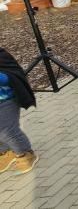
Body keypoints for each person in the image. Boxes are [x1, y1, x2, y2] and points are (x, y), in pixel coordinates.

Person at [0, 47, 37, 175]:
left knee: (6, 130)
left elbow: (9, 77)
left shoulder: (1, 56)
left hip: (6, 99)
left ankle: (25, 152)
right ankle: (6, 151)